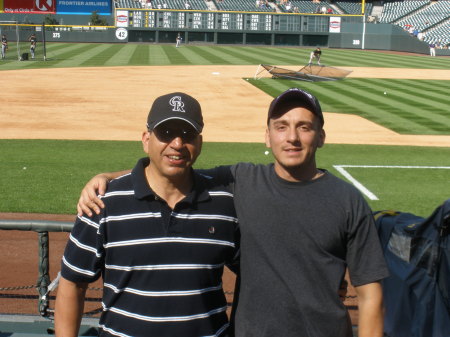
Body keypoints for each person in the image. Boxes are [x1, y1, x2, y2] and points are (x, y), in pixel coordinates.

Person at [77, 88, 389, 337]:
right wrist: (109, 176)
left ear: (321, 136)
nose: (291, 137)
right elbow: (172, 168)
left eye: (304, 127)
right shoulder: (241, 180)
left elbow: (371, 295)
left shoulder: (348, 200)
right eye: (281, 127)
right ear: (267, 136)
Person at [55, 92, 239, 337]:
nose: (177, 144)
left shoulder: (224, 203)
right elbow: (73, 284)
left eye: (187, 134)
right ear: (146, 139)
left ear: (200, 142)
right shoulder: (102, 202)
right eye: (165, 133)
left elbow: (254, 275)